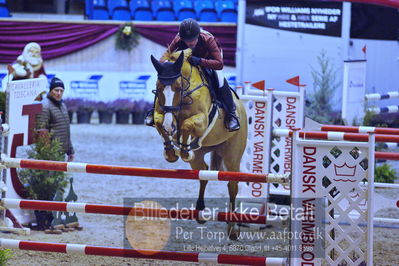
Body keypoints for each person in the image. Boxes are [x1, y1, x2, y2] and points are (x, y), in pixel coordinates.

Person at [146, 18, 240, 132]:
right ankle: (153, 110)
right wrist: (167, 66)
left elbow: (219, 64)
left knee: (219, 80)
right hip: (188, 61)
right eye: (187, 40)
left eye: (193, 39)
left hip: (209, 59)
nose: (190, 43)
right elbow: (164, 58)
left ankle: (231, 114)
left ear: (198, 35)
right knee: (165, 80)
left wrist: (200, 61)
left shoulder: (208, 39)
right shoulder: (178, 39)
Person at [37, 77, 75, 162]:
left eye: (61, 91)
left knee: (58, 174)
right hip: (51, 153)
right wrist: (48, 153)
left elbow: (66, 131)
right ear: (50, 91)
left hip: (61, 152)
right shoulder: (44, 106)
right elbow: (42, 131)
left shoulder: (63, 106)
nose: (59, 93)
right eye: (56, 90)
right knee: (49, 175)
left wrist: (70, 151)